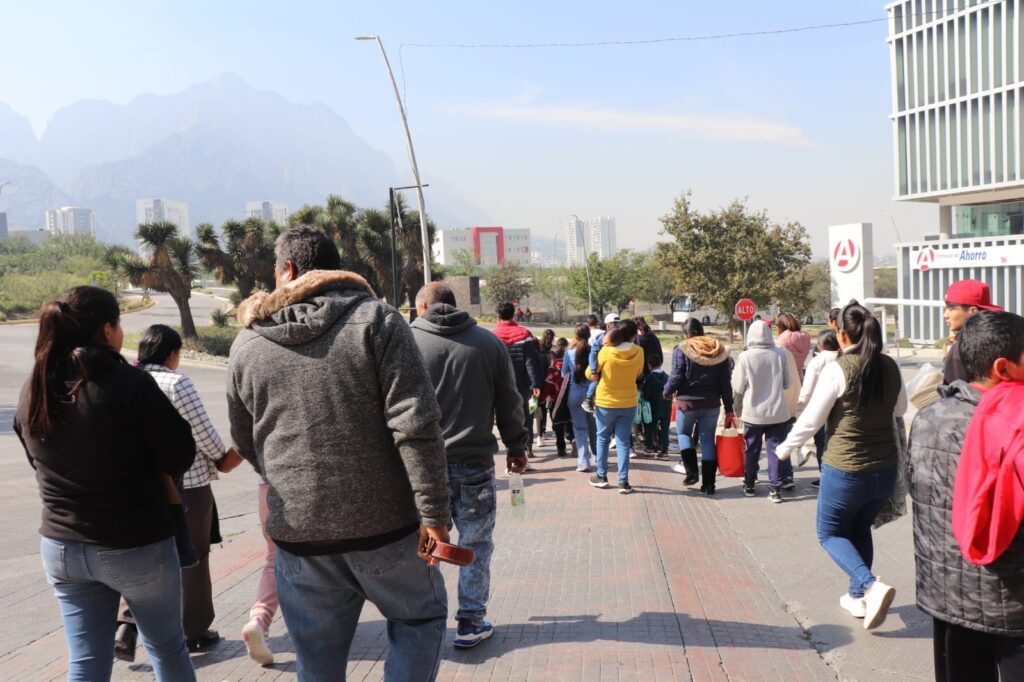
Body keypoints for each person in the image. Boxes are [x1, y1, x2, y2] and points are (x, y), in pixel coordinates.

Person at [227, 226, 452, 681]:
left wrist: (295, 484)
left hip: (300, 537)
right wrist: (434, 515)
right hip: (387, 529)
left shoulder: (247, 344)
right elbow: (416, 425)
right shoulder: (378, 321)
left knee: (317, 658)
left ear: (288, 269)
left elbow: (246, 439)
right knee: (419, 620)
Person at [13, 286, 197, 681]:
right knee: (167, 649)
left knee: (86, 662)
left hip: (62, 547)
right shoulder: (129, 384)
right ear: (107, 330)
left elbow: (35, 459)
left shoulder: (36, 386)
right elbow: (180, 455)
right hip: (136, 543)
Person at [411, 282, 529, 650]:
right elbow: (509, 402)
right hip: (474, 464)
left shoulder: (406, 342)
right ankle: (471, 621)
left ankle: (420, 621)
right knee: (476, 543)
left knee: (423, 543)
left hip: (419, 468)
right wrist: (516, 446)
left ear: (422, 307)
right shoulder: (488, 344)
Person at [777, 301, 907, 631]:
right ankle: (857, 596)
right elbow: (900, 409)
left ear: (842, 334)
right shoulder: (890, 366)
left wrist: (785, 448)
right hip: (884, 469)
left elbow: (812, 420)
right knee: (860, 530)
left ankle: (871, 586)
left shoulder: (839, 368)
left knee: (830, 533)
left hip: (847, 470)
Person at [909, 310, 1024, 681]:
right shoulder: (1016, 423)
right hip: (1012, 603)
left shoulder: (928, 418)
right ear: (1003, 367)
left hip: (948, 598)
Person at [133, 324, 242, 653]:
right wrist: (222, 458)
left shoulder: (130, 379)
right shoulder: (176, 383)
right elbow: (202, 431)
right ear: (172, 354)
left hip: (141, 486)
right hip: (188, 484)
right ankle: (193, 629)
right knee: (193, 555)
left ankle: (139, 627)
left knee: (150, 558)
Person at [665, 319, 734, 494]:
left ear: (687, 334)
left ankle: (692, 473)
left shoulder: (682, 349)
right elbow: (725, 383)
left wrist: (666, 392)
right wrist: (729, 407)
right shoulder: (718, 350)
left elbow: (676, 376)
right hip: (712, 403)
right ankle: (709, 484)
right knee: (707, 440)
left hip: (687, 403)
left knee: (683, 434)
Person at [732, 320, 791, 502]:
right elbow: (787, 383)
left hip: (753, 413)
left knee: (752, 450)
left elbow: (738, 387)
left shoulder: (745, 356)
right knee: (775, 450)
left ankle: (750, 484)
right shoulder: (780, 354)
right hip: (777, 412)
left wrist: (736, 408)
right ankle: (775, 488)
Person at [587, 320, 645, 493]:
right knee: (623, 442)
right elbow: (638, 374)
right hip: (628, 402)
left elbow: (591, 374)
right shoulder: (639, 351)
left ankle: (601, 476)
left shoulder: (606, 351)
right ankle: (623, 482)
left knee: (602, 439)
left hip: (605, 402)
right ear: (633, 335)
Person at [493, 302, 545, 458]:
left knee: (505, 417)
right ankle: (527, 447)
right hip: (523, 383)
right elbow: (531, 361)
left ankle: (512, 450)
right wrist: (535, 384)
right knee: (526, 415)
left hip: (501, 385)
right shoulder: (524, 334)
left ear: (497, 315)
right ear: (514, 314)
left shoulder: (492, 336)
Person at [795, 330, 841, 487]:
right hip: (842, 410)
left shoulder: (817, 362)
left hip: (821, 409)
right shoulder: (844, 357)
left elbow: (807, 390)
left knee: (822, 443)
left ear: (821, 345)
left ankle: (825, 476)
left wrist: (799, 408)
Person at [942, 279, 1003, 385]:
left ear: (973, 311)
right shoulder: (1002, 335)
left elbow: (955, 390)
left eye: (951, 308)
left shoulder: (961, 347)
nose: (945, 315)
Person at [563, 324, 598, 472]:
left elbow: (563, 373)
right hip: (592, 393)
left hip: (574, 392)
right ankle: (598, 458)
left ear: (575, 336)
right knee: (594, 428)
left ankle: (583, 462)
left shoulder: (569, 353)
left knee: (579, 429)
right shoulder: (595, 352)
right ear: (589, 335)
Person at [582, 312, 621, 413]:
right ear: (608, 325)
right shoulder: (603, 337)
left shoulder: (622, 337)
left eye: (618, 324)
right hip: (602, 367)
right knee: (597, 381)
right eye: (614, 324)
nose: (617, 326)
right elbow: (593, 353)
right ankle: (588, 399)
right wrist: (594, 370)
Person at [543, 338, 571, 457]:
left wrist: (541, 399)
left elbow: (548, 387)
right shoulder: (569, 367)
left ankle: (561, 448)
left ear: (552, 357)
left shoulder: (552, 370)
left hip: (555, 401)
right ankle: (572, 440)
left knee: (558, 425)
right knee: (570, 422)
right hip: (569, 399)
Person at [641, 355, 671, 459]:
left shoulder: (649, 378)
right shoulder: (667, 377)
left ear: (649, 365)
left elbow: (646, 395)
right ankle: (664, 451)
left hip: (652, 408)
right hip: (666, 407)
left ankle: (649, 448)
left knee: (650, 428)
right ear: (661, 364)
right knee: (665, 429)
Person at [775, 312, 813, 378]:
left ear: (780, 326)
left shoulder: (781, 340)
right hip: (799, 376)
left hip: (784, 378)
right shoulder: (806, 337)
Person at [535, 329, 556, 445]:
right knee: (548, 407)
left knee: (539, 408)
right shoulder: (551, 352)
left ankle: (540, 434)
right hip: (549, 382)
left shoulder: (538, 350)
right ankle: (550, 430)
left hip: (538, 382)